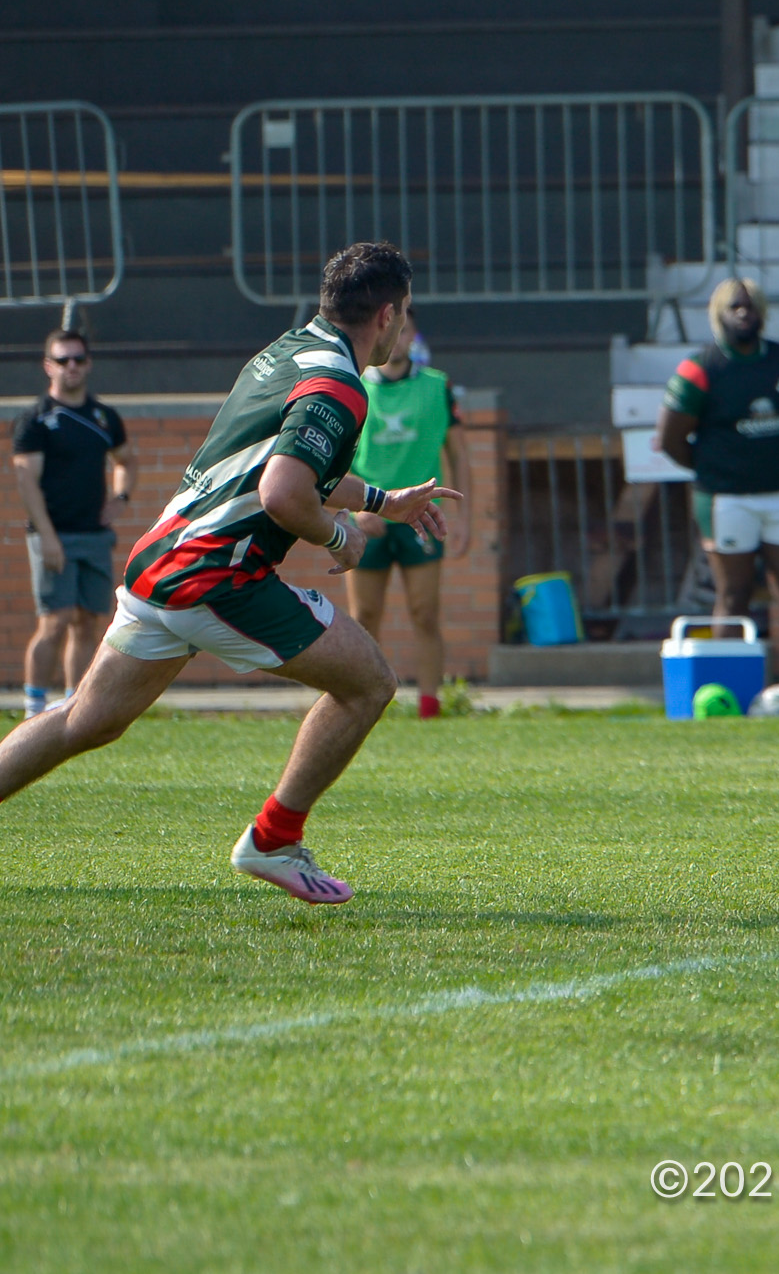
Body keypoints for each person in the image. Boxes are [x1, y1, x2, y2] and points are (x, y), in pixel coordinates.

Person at [0, 242, 459, 904]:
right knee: (370, 682)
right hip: (217, 576)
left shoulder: (288, 350)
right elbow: (283, 491)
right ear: (386, 315)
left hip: (163, 560)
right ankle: (273, 839)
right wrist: (342, 536)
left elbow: (298, 468)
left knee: (86, 720)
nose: (406, 323)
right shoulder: (340, 386)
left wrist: (384, 502)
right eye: (407, 310)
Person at [655, 277, 779, 712]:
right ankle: (722, 697)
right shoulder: (701, 367)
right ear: (718, 315)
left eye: (750, 307)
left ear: (763, 312)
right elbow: (670, 439)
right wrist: (717, 469)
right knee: (734, 594)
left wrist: (768, 459)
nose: (744, 314)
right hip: (726, 498)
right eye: (734, 308)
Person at [344, 308, 470, 719]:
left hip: (421, 517)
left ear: (412, 335)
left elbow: (459, 456)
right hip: (369, 517)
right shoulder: (354, 386)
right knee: (363, 617)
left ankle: (431, 705)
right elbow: (334, 460)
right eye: (390, 330)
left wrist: (465, 517)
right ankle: (358, 704)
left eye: (405, 330)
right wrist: (356, 509)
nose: (397, 338)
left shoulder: (437, 387)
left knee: (425, 612)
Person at [11, 330, 133, 717]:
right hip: (53, 534)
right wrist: (46, 536)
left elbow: (126, 460)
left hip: (94, 535)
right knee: (55, 621)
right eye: (63, 360)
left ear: (89, 363)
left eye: (78, 359)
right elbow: (26, 480)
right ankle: (34, 707)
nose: (72, 367)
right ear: (48, 366)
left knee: (86, 622)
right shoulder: (36, 420)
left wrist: (120, 499)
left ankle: (71, 707)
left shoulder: (103, 416)